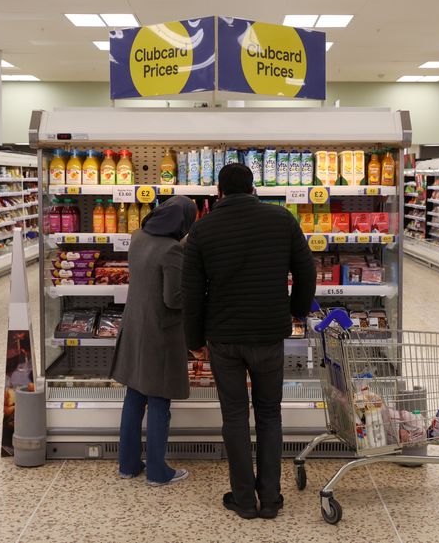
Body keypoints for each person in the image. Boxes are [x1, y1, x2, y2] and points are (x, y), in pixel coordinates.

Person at [182, 163, 316, 519]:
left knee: (235, 416)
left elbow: (191, 293)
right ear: (254, 189)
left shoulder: (202, 229)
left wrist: (193, 339)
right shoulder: (282, 220)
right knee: (271, 413)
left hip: (224, 336)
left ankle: (244, 499)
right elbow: (306, 270)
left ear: (218, 194)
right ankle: (270, 497)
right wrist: (296, 311)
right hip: (269, 333)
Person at [110, 196, 198, 486]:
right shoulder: (172, 250)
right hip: (160, 332)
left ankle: (128, 464)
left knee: (134, 397)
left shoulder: (139, 237)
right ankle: (159, 472)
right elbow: (173, 299)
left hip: (134, 325)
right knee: (160, 401)